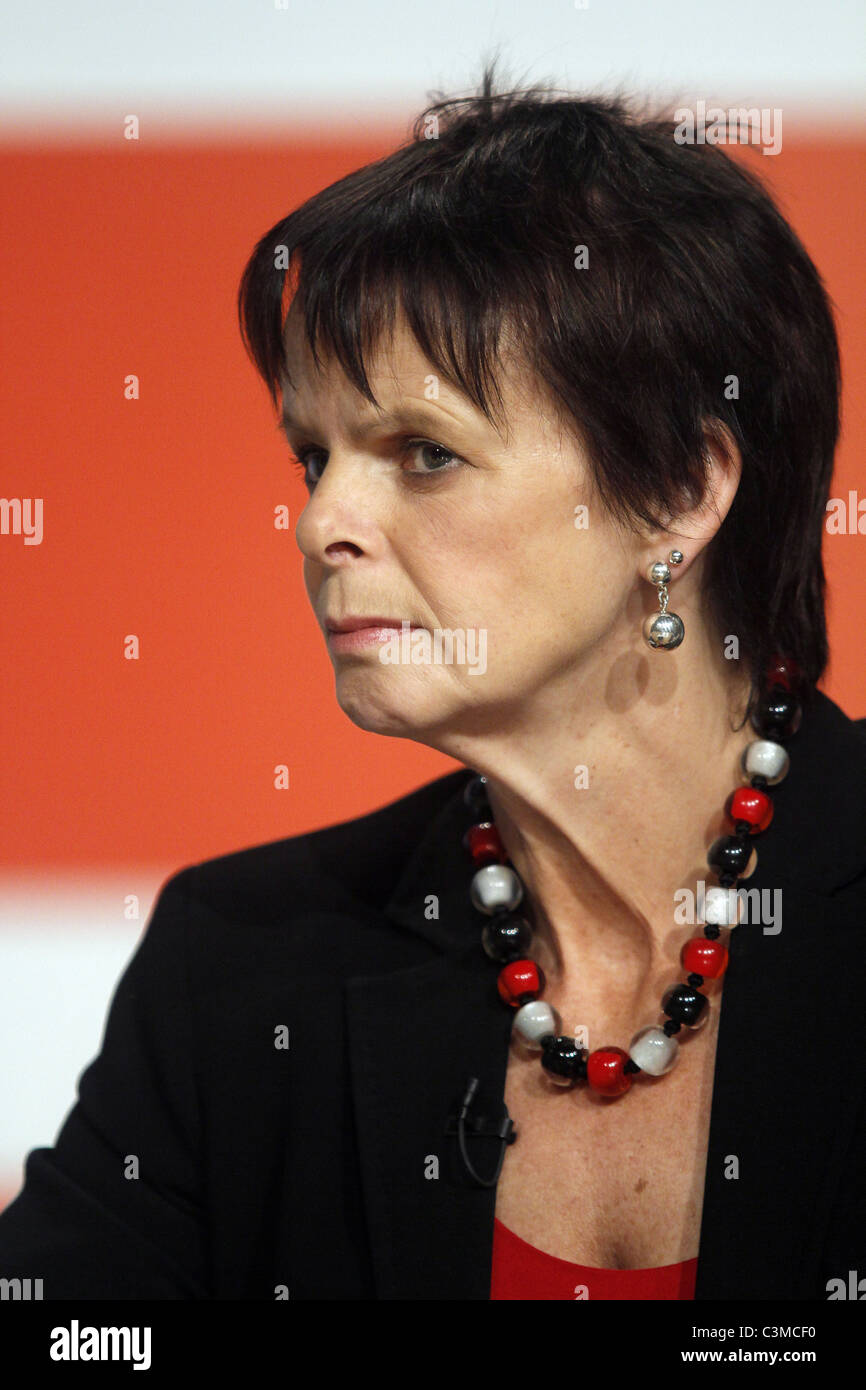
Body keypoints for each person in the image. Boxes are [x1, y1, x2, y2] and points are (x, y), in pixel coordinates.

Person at [1, 65, 864, 1302]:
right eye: (314, 457)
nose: (321, 526)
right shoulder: (240, 971)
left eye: (421, 453)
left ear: (678, 492)